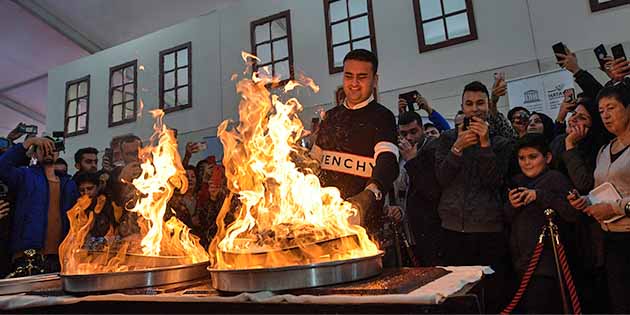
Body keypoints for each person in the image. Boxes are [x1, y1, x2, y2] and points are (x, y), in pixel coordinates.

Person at [434, 81, 514, 312]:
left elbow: (494, 181)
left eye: (480, 103)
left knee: (492, 294)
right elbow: (441, 179)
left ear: (488, 106)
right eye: (469, 104)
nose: (475, 108)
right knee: (457, 297)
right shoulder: (448, 139)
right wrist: (457, 149)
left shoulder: (500, 141)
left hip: (488, 229)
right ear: (462, 107)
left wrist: (485, 144)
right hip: (452, 229)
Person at [311, 49, 399, 238]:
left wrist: (369, 193)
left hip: (365, 227)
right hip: (326, 223)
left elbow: (388, 160)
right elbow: (314, 161)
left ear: (375, 80)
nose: (354, 84)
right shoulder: (331, 117)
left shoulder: (382, 117)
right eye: (349, 76)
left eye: (362, 77)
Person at [568, 84, 630, 313]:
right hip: (611, 241)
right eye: (601, 110)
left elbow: (615, 202)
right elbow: (600, 190)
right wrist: (585, 201)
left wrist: (614, 208)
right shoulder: (605, 150)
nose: (605, 115)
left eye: (611, 107)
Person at [505, 134, 578, 313]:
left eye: (532, 157)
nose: (527, 163)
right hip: (522, 261)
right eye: (522, 158)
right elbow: (506, 219)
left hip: (547, 262)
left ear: (547, 157)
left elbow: (572, 213)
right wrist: (511, 205)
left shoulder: (556, 178)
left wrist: (540, 195)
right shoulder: (517, 181)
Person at [0, 137, 78, 276]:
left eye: (52, 148)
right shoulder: (25, 175)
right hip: (27, 255)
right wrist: (29, 142)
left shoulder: (69, 184)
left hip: (60, 258)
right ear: (34, 154)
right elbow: (2, 166)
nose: (48, 151)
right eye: (42, 148)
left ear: (58, 153)